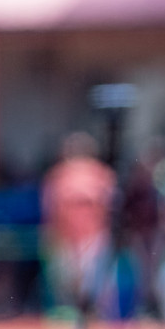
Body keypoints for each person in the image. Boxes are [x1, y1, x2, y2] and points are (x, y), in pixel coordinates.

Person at [42, 132, 118, 317]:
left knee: (97, 281)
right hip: (67, 235)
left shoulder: (101, 174)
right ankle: (70, 316)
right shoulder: (59, 175)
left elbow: (109, 207)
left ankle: (101, 318)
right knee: (66, 281)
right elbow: (51, 208)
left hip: (93, 235)